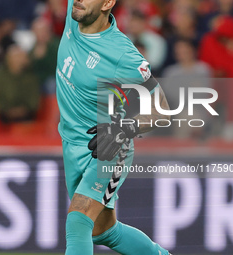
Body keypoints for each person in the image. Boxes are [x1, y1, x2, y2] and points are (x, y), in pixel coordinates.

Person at [56, 0, 172, 255]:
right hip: (72, 144)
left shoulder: (123, 55)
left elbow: (162, 109)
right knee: (103, 231)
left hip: (108, 147)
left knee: (78, 220)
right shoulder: (73, 14)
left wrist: (125, 129)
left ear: (108, 3)